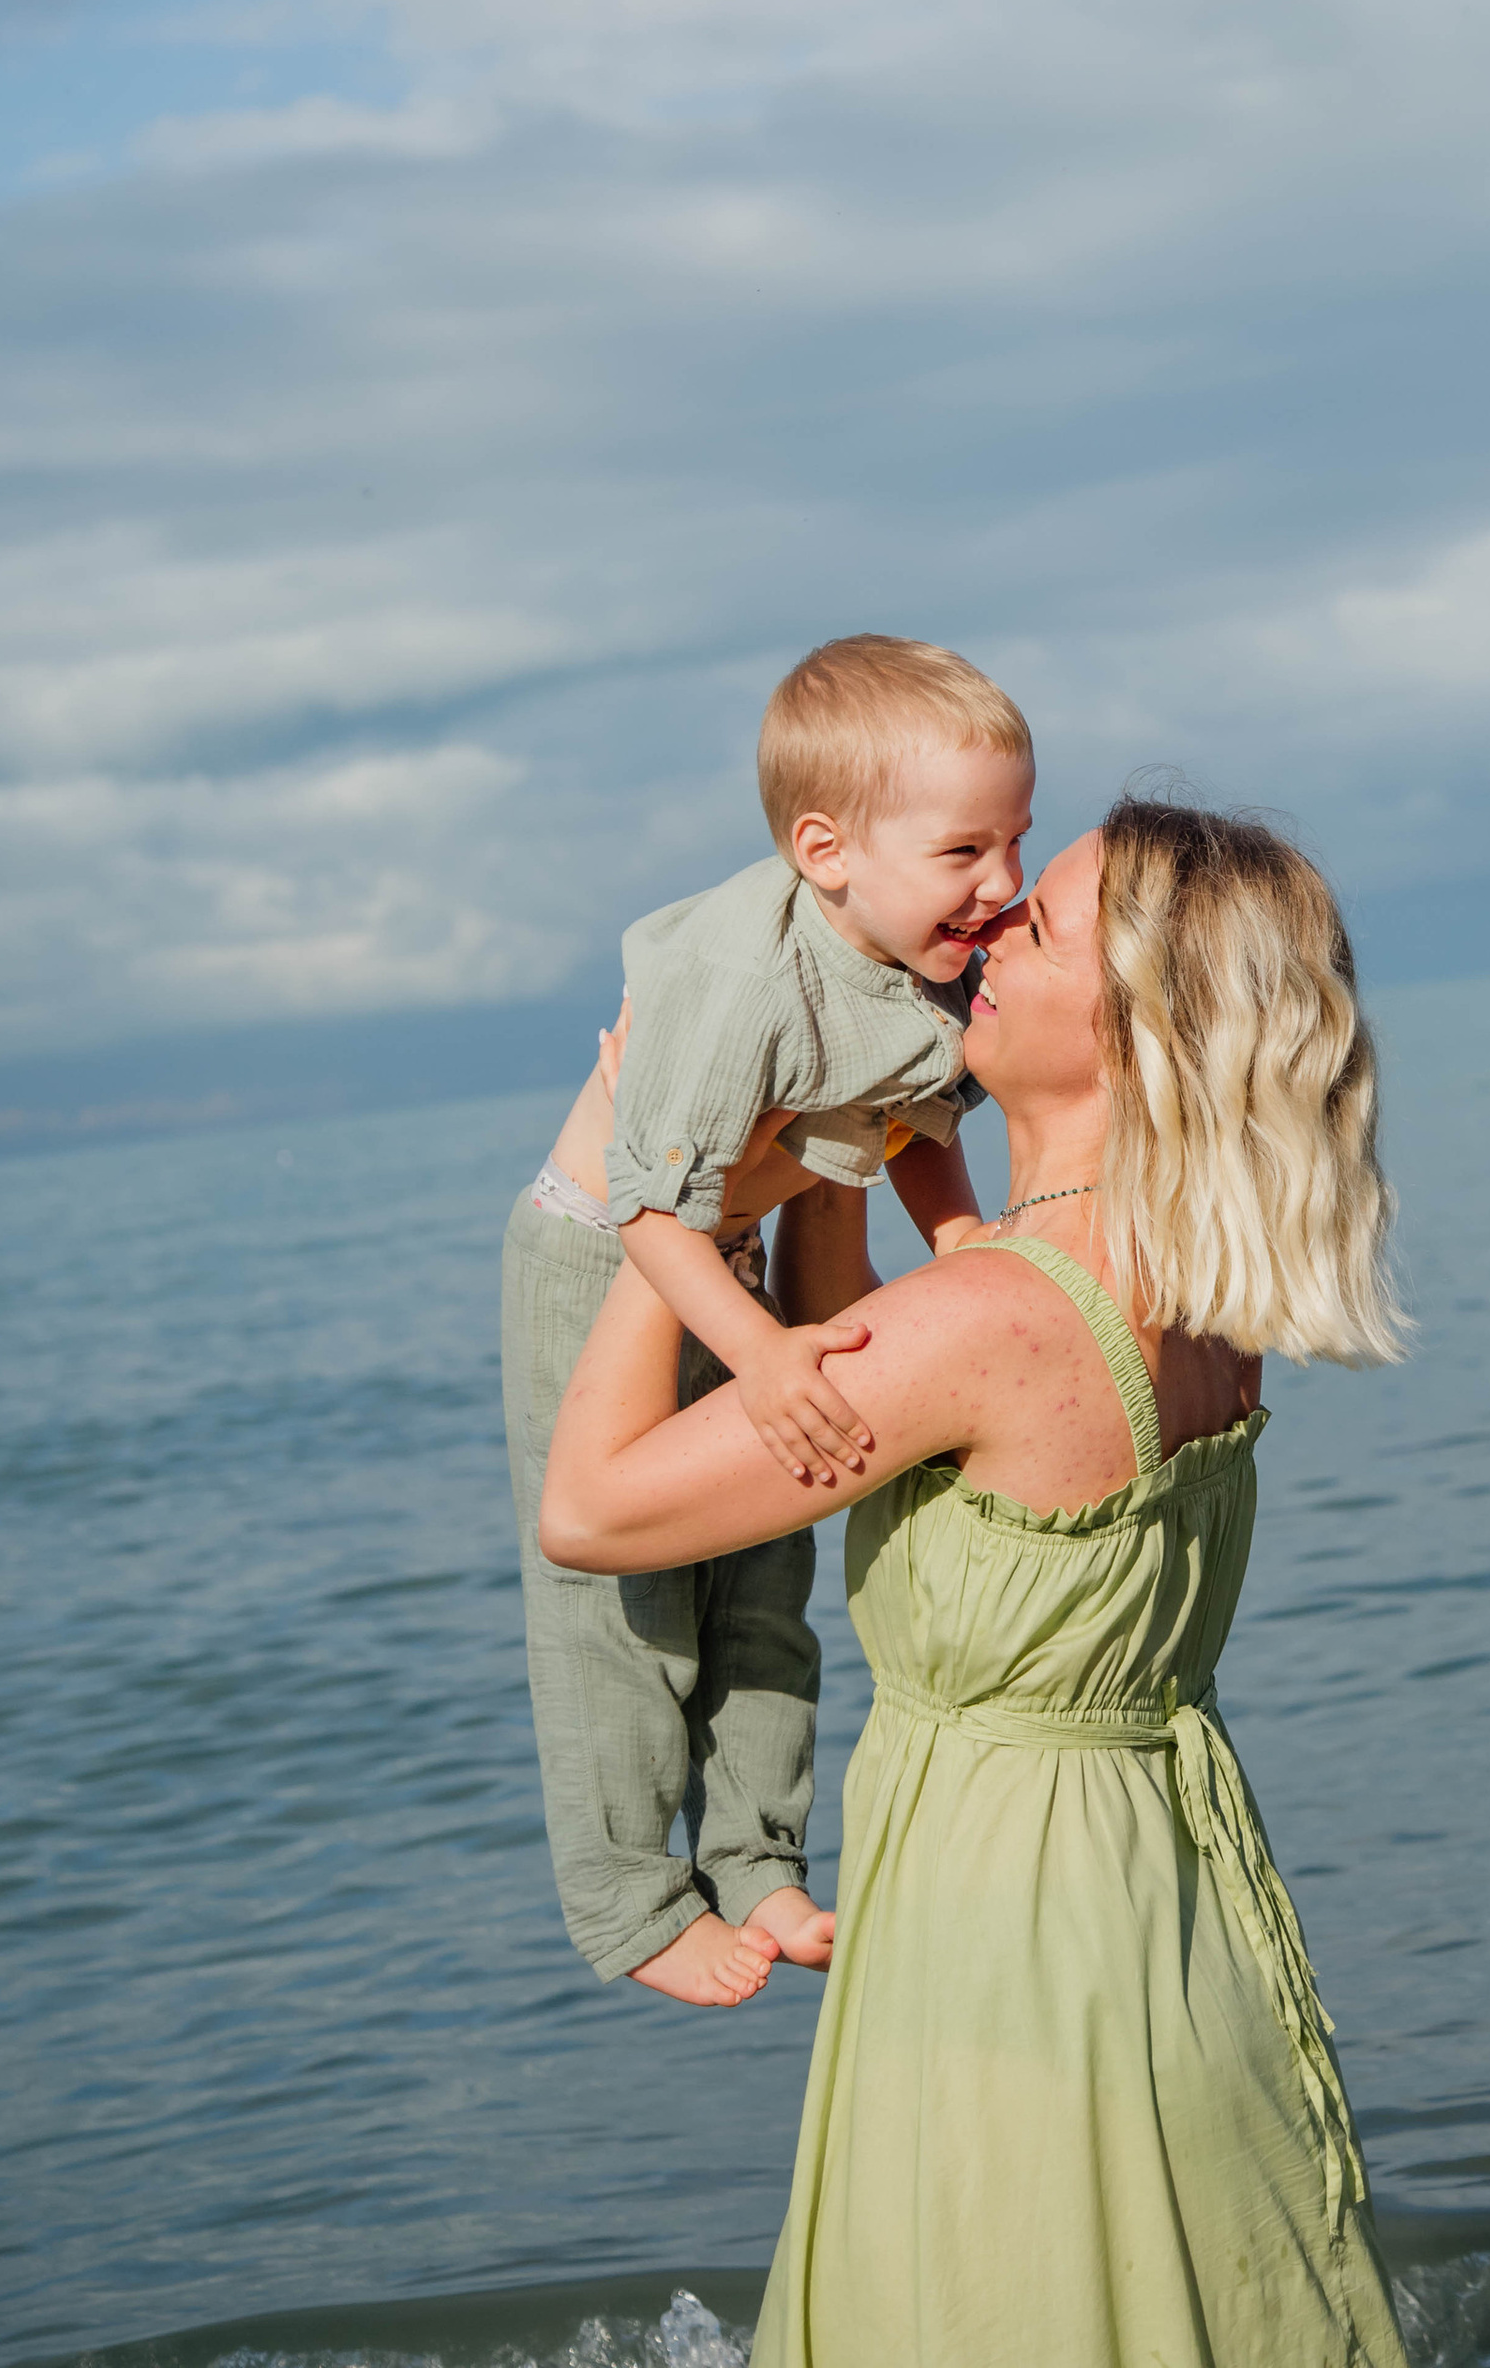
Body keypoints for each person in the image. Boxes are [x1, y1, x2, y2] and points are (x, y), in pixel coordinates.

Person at [540, 794, 1412, 2368]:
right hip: (1160, 1893)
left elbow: (593, 1511)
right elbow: (864, 1333)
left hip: (1009, 1940)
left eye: (1045, 922)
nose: (993, 923)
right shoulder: (1197, 1290)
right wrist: (831, 1137)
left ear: (1138, 1031)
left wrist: (634, 1195)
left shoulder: (999, 1317)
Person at [501, 635, 1035, 2008]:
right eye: (967, 852)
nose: (1005, 885)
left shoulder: (926, 952)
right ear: (827, 849)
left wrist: (964, 1235)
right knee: (623, 1600)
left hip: (736, 1238)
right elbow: (647, 1212)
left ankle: (756, 1860)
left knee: (765, 1573)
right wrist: (761, 1350)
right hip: (608, 1245)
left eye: (1017, 841)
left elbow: (907, 1113)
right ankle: (626, 1898)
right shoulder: (746, 982)